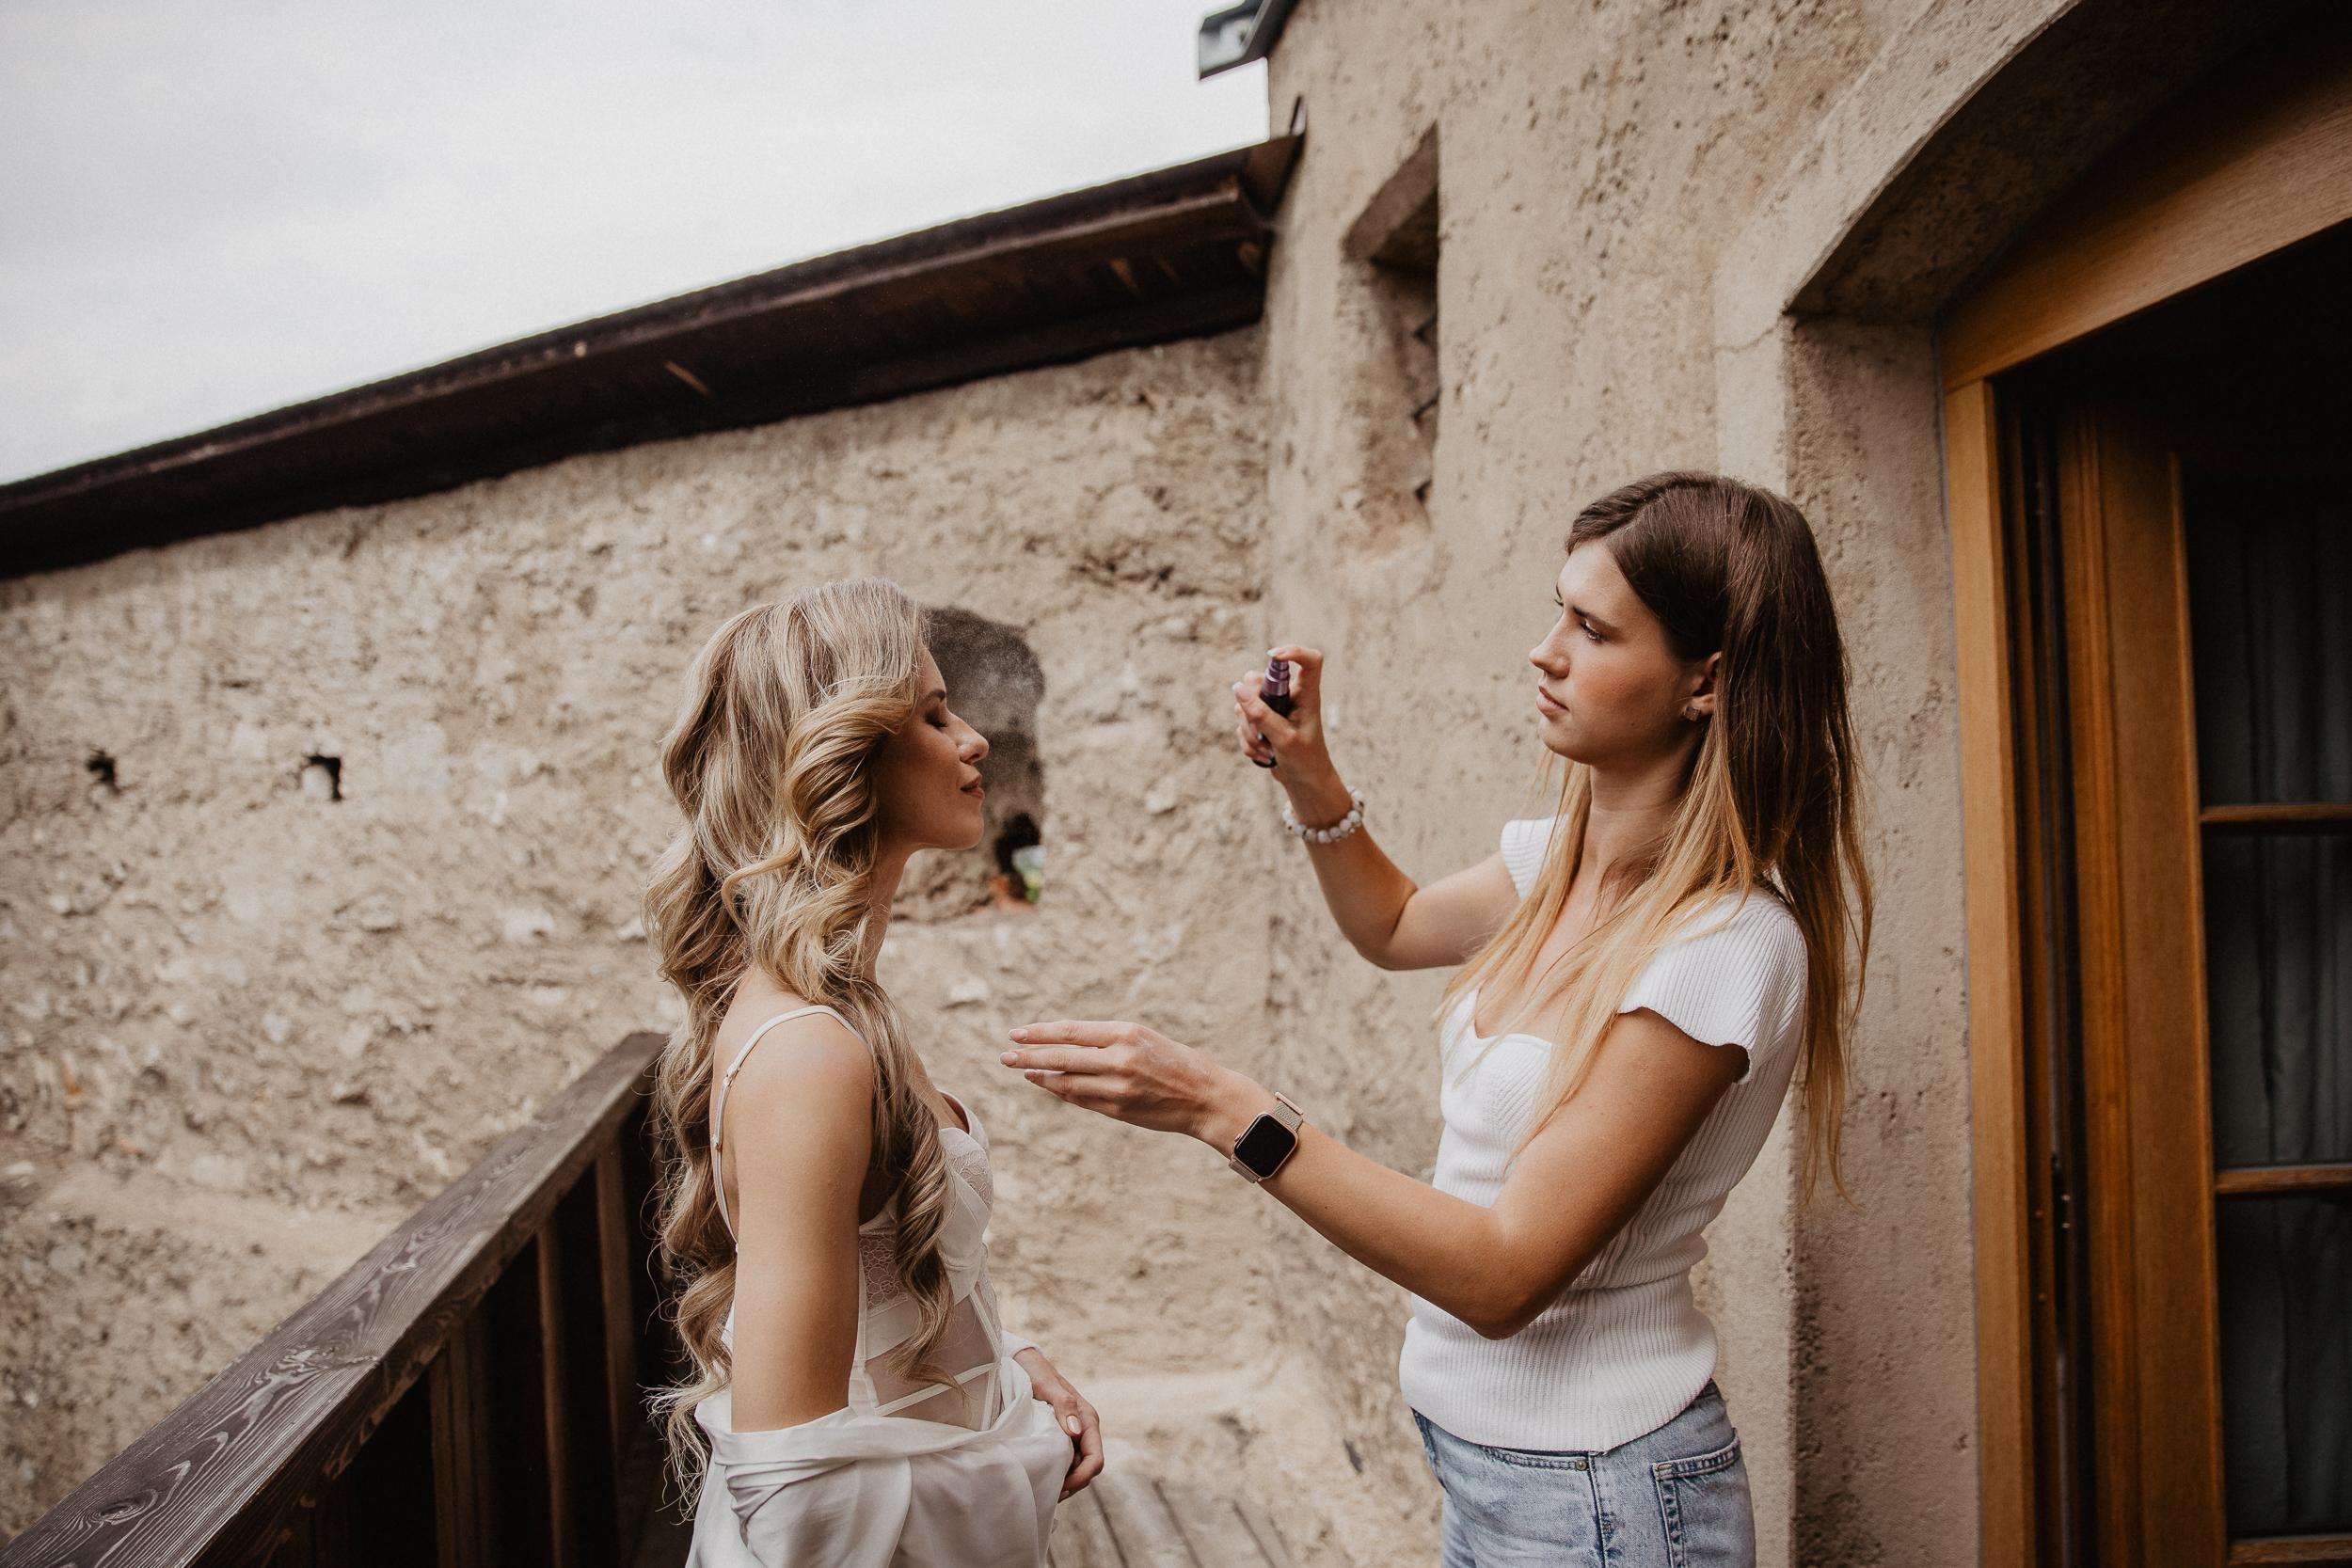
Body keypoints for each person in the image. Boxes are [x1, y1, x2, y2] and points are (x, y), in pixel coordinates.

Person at [998, 472, 1871, 1567]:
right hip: (1490, 1471)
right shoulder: (1554, 864)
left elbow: (1504, 1274)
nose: (1545, 650)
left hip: (1604, 1500)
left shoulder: (1720, 948)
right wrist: (1309, 774)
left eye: (1592, 629)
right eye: (1558, 610)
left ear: (1705, 680)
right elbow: (1395, 921)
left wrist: (1226, 1110)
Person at [643, 578, 1103, 1568]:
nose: (974, 738)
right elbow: (797, 1490)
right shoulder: (810, 1046)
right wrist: (1016, 1447)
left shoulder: (844, 1004)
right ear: (841, 753)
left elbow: (884, 1268)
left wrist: (1007, 1364)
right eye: (933, 715)